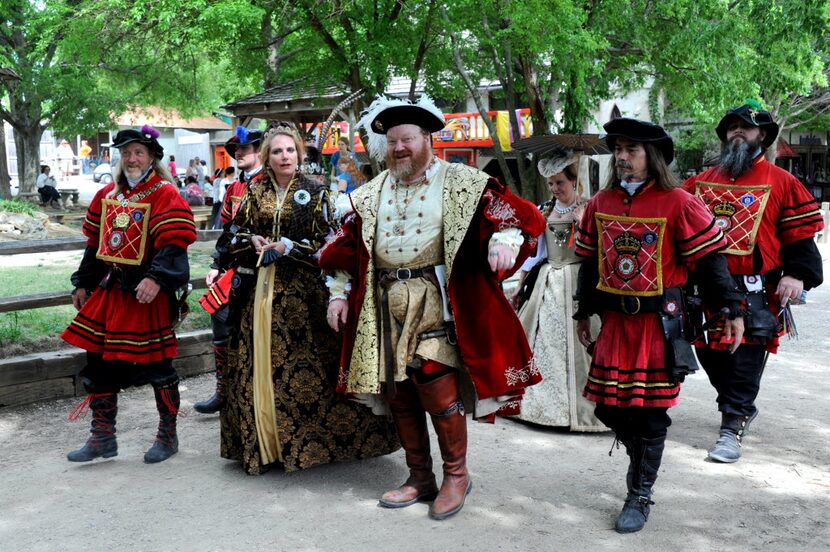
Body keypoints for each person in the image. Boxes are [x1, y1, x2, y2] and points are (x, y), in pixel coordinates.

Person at [319, 95, 546, 520]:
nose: (399, 148)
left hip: (436, 298)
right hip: (383, 301)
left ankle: (456, 476)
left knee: (434, 383)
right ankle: (419, 476)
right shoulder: (371, 193)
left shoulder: (463, 182)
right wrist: (337, 292)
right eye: (392, 142)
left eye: (406, 139)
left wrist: (504, 240)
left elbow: (519, 216)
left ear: (428, 139)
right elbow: (346, 250)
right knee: (400, 392)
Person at [573, 118, 746, 533]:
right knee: (606, 407)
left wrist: (732, 310)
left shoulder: (680, 202)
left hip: (658, 326)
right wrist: (584, 311)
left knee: (651, 417)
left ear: (651, 157)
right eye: (618, 149)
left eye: (631, 150)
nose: (621, 157)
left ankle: (640, 493)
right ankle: (643, 456)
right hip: (616, 322)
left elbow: (711, 263)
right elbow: (589, 262)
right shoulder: (600, 202)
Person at [215, 122, 399, 475]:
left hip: (303, 298)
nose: (284, 156)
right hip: (258, 294)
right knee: (258, 366)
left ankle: (305, 448)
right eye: (276, 151)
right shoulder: (253, 193)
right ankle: (265, 447)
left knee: (307, 370)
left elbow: (332, 244)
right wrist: (251, 241)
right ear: (266, 157)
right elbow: (232, 236)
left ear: (299, 154)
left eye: (290, 150)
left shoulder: (317, 194)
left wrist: (289, 247)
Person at [682, 102, 824, 463]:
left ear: (762, 134)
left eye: (745, 127)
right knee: (709, 354)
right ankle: (736, 405)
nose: (737, 132)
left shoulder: (783, 181)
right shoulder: (701, 182)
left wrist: (796, 274)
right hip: (706, 289)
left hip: (755, 290)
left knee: (744, 357)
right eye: (731, 127)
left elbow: (800, 237)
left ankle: (731, 427)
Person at [61, 124, 197, 464]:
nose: (132, 159)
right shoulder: (109, 195)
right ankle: (102, 438)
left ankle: (168, 435)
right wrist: (83, 283)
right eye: (126, 153)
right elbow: (95, 247)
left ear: (151, 157)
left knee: (158, 366)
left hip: (147, 293)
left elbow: (175, 243)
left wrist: (157, 279)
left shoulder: (165, 193)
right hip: (113, 292)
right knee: (98, 361)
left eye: (138, 152)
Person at [509, 150, 605, 431]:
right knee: (543, 343)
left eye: (559, 182)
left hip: (579, 279)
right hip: (548, 281)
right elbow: (535, 253)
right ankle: (539, 406)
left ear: (575, 182)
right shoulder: (545, 211)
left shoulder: (589, 209)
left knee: (584, 343)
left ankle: (586, 411)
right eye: (551, 183)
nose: (554, 188)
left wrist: (581, 221)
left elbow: (597, 250)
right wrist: (519, 285)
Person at [194, 127, 263, 414]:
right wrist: (215, 265)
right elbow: (227, 232)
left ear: (259, 150)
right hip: (235, 269)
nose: (238, 153)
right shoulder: (234, 187)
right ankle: (224, 390)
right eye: (236, 149)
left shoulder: (269, 184)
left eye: (244, 149)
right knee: (220, 319)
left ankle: (255, 395)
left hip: (264, 268)